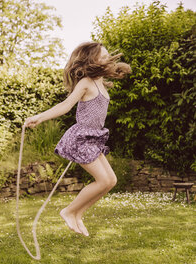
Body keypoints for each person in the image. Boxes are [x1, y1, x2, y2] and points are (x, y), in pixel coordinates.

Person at [24, 41, 131, 237]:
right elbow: (65, 106)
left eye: (108, 56)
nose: (108, 59)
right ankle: (68, 211)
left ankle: (78, 214)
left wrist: (119, 69)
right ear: (92, 60)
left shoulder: (100, 80)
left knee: (111, 181)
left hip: (94, 137)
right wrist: (39, 117)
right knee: (102, 180)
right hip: (81, 138)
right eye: (103, 56)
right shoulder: (86, 83)